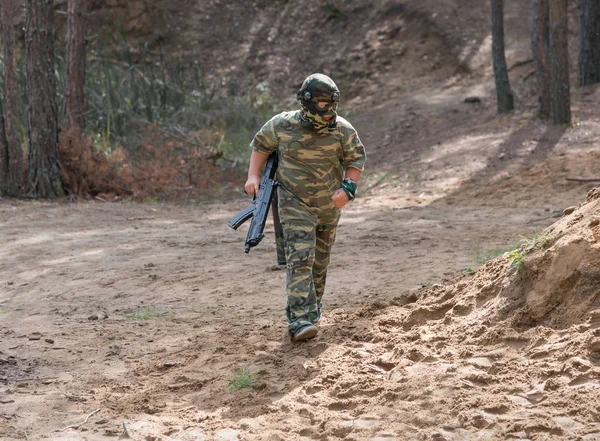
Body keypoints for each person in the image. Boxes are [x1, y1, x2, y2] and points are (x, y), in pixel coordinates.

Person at [244, 73, 366, 342]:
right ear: (306, 103)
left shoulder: (343, 129)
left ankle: (312, 311)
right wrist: (253, 176)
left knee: (319, 263)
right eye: (319, 106)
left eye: (328, 106)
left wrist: (348, 188)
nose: (324, 113)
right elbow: (261, 146)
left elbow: (355, 160)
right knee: (301, 256)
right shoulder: (282, 125)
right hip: (293, 202)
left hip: (328, 205)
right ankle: (299, 319)